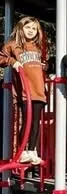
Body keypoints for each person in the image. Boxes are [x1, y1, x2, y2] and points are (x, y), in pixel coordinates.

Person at [0, 16, 47, 165]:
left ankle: (32, 151)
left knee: (35, 123)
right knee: (27, 122)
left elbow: (46, 62)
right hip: (25, 91)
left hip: (39, 90)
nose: (31, 31)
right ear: (21, 28)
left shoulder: (39, 46)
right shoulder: (13, 45)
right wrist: (12, 62)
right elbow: (1, 58)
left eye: (34, 28)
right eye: (28, 28)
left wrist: (47, 66)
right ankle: (22, 151)